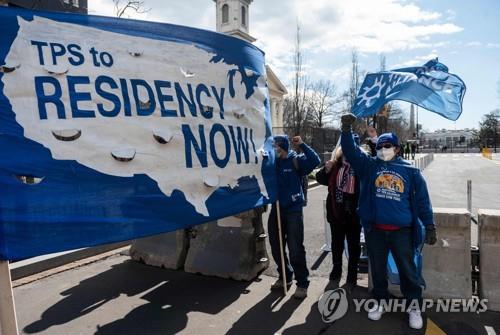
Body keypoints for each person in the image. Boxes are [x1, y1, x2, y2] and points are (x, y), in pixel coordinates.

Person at [340, 114, 437, 330]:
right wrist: (346, 129)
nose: (383, 149)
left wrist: (429, 224)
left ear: (397, 148)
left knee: (408, 270)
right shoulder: (370, 166)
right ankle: (380, 301)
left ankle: (413, 307)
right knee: (378, 269)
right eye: (381, 145)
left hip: (402, 231)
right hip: (376, 230)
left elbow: (422, 200)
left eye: (388, 145)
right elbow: (351, 152)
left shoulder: (410, 171)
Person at [268, 135, 320, 299]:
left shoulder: (296, 160)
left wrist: (302, 145)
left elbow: (315, 161)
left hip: (293, 210)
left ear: (282, 147)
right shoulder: (271, 163)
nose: (273, 150)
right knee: (276, 246)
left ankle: (302, 283)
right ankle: (285, 276)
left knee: (295, 248)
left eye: (275, 147)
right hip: (276, 209)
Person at [315, 135, 361, 292]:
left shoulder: (361, 165)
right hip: (336, 211)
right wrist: (325, 168)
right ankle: (336, 269)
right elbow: (320, 178)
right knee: (337, 243)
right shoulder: (335, 164)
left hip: (354, 213)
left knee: (354, 245)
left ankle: (352, 275)